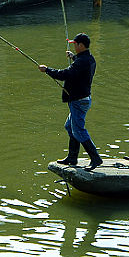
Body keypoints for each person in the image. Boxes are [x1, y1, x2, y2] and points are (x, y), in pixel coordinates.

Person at [39, 33, 103, 170]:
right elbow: (79, 68)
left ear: (81, 45)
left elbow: (65, 74)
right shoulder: (88, 59)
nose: (74, 46)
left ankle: (96, 158)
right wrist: (73, 57)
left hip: (79, 101)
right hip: (82, 99)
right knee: (70, 127)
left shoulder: (82, 62)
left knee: (78, 130)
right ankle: (72, 158)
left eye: (75, 44)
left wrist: (47, 70)